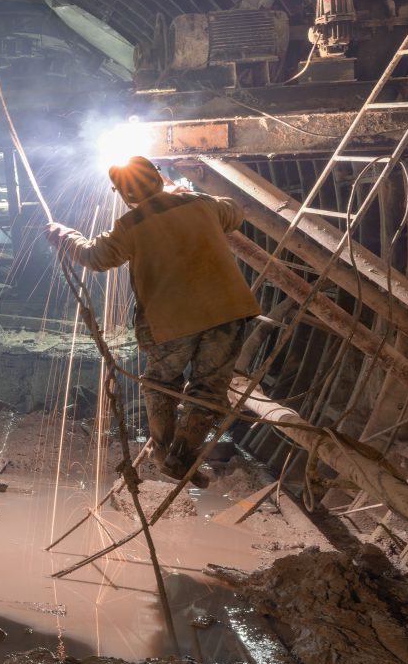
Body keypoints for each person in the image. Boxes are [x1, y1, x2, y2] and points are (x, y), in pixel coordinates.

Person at [48, 156, 259, 485]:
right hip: (227, 313)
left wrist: (65, 235)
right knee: (208, 390)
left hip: (172, 323)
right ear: (160, 178)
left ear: (123, 195)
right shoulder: (201, 203)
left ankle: (164, 452)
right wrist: (181, 191)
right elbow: (235, 210)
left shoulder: (130, 226)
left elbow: (94, 257)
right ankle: (183, 455)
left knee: (161, 384)